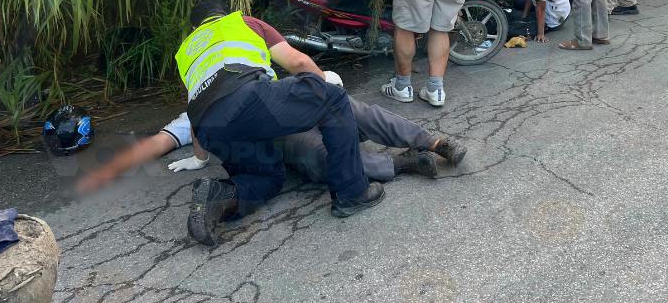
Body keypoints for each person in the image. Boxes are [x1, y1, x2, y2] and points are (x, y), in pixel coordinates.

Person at [174, 0, 384, 246]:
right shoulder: (244, 23)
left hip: (209, 128)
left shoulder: (186, 50)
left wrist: (200, 159)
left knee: (267, 178)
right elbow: (298, 62)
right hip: (248, 100)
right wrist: (321, 88)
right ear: (227, 13)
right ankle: (352, 193)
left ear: (196, 27)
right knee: (334, 99)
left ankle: (218, 195)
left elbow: (197, 105)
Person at [76, 93, 467, 195]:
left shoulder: (254, 70)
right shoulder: (200, 109)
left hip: (296, 110)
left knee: (351, 108)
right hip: (287, 137)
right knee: (318, 162)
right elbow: (163, 140)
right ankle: (402, 163)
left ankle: (434, 141)